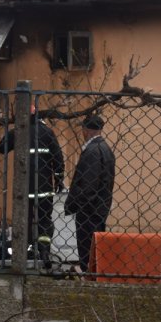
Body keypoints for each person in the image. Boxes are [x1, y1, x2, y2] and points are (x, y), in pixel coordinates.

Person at [0, 103, 65, 267]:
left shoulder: (19, 132)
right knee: (44, 220)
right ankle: (44, 251)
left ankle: (25, 251)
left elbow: (1, 148)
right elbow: (58, 158)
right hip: (44, 187)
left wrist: (11, 133)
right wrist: (59, 179)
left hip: (24, 188)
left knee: (24, 219)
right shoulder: (47, 132)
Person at [63, 114, 115, 272]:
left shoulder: (92, 151)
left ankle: (89, 275)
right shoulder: (105, 149)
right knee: (95, 248)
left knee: (86, 249)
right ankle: (93, 274)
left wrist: (80, 205)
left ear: (86, 130)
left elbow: (88, 184)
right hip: (99, 207)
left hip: (89, 210)